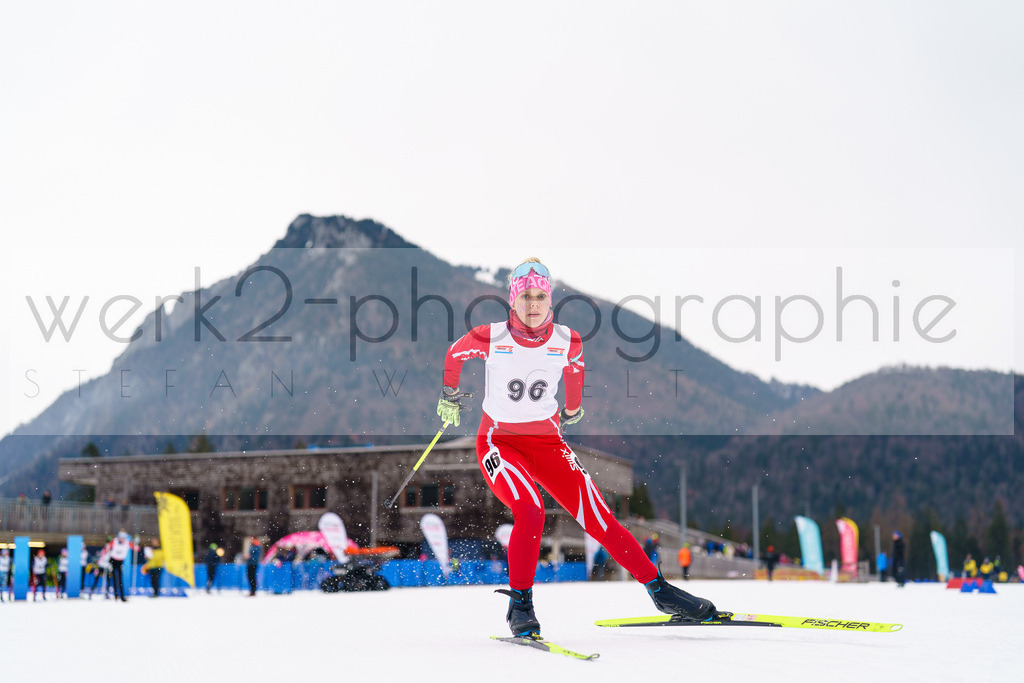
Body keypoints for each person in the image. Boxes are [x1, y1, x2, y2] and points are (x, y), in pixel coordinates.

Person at [437, 257, 717, 638]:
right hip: (500, 442)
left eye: (540, 296)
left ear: (549, 300)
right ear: (512, 301)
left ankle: (660, 591)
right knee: (530, 510)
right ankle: (520, 604)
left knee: (601, 520)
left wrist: (571, 408)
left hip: (549, 443)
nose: (532, 305)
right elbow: (454, 353)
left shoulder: (567, 340)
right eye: (525, 298)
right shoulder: (492, 335)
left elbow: (575, 371)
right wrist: (450, 395)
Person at [109, 530, 132, 602]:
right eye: (121, 538)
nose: (122, 539)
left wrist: (136, 542)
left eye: (123, 538)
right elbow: (107, 548)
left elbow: (137, 549)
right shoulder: (114, 541)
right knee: (114, 578)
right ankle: (115, 596)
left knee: (120, 579)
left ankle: (122, 597)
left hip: (120, 562)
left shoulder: (127, 542)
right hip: (112, 561)